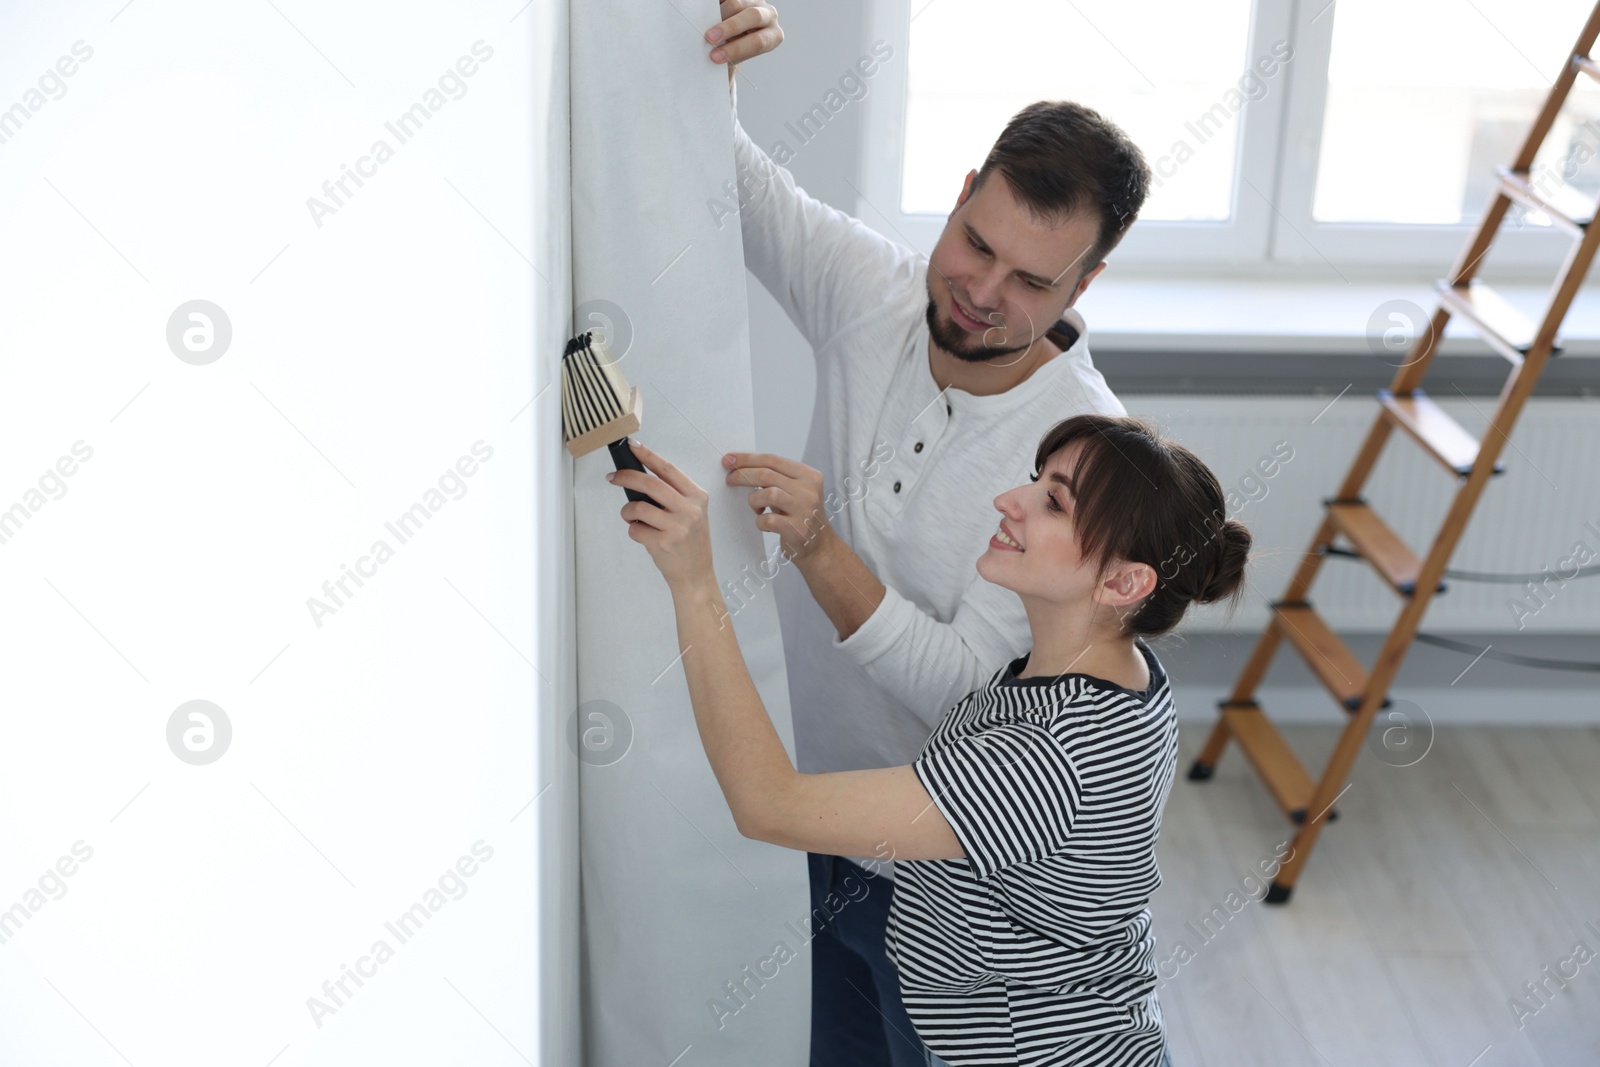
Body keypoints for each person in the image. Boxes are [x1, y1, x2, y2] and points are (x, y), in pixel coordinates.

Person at [700, 5, 1156, 1062]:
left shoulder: (1079, 457)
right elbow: (726, 176)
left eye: (1030, 282)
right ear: (957, 198)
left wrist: (818, 548)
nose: (979, 293)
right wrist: (714, 42)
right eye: (974, 243)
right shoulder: (876, 292)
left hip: (958, 892)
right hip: (821, 823)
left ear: (1084, 287)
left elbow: (967, 692)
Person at [607, 413, 1250, 1066]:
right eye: (1036, 480)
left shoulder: (1043, 755)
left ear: (1124, 583)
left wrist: (693, 583)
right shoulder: (1122, 675)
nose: (1010, 501)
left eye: (1053, 501)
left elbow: (767, 803)